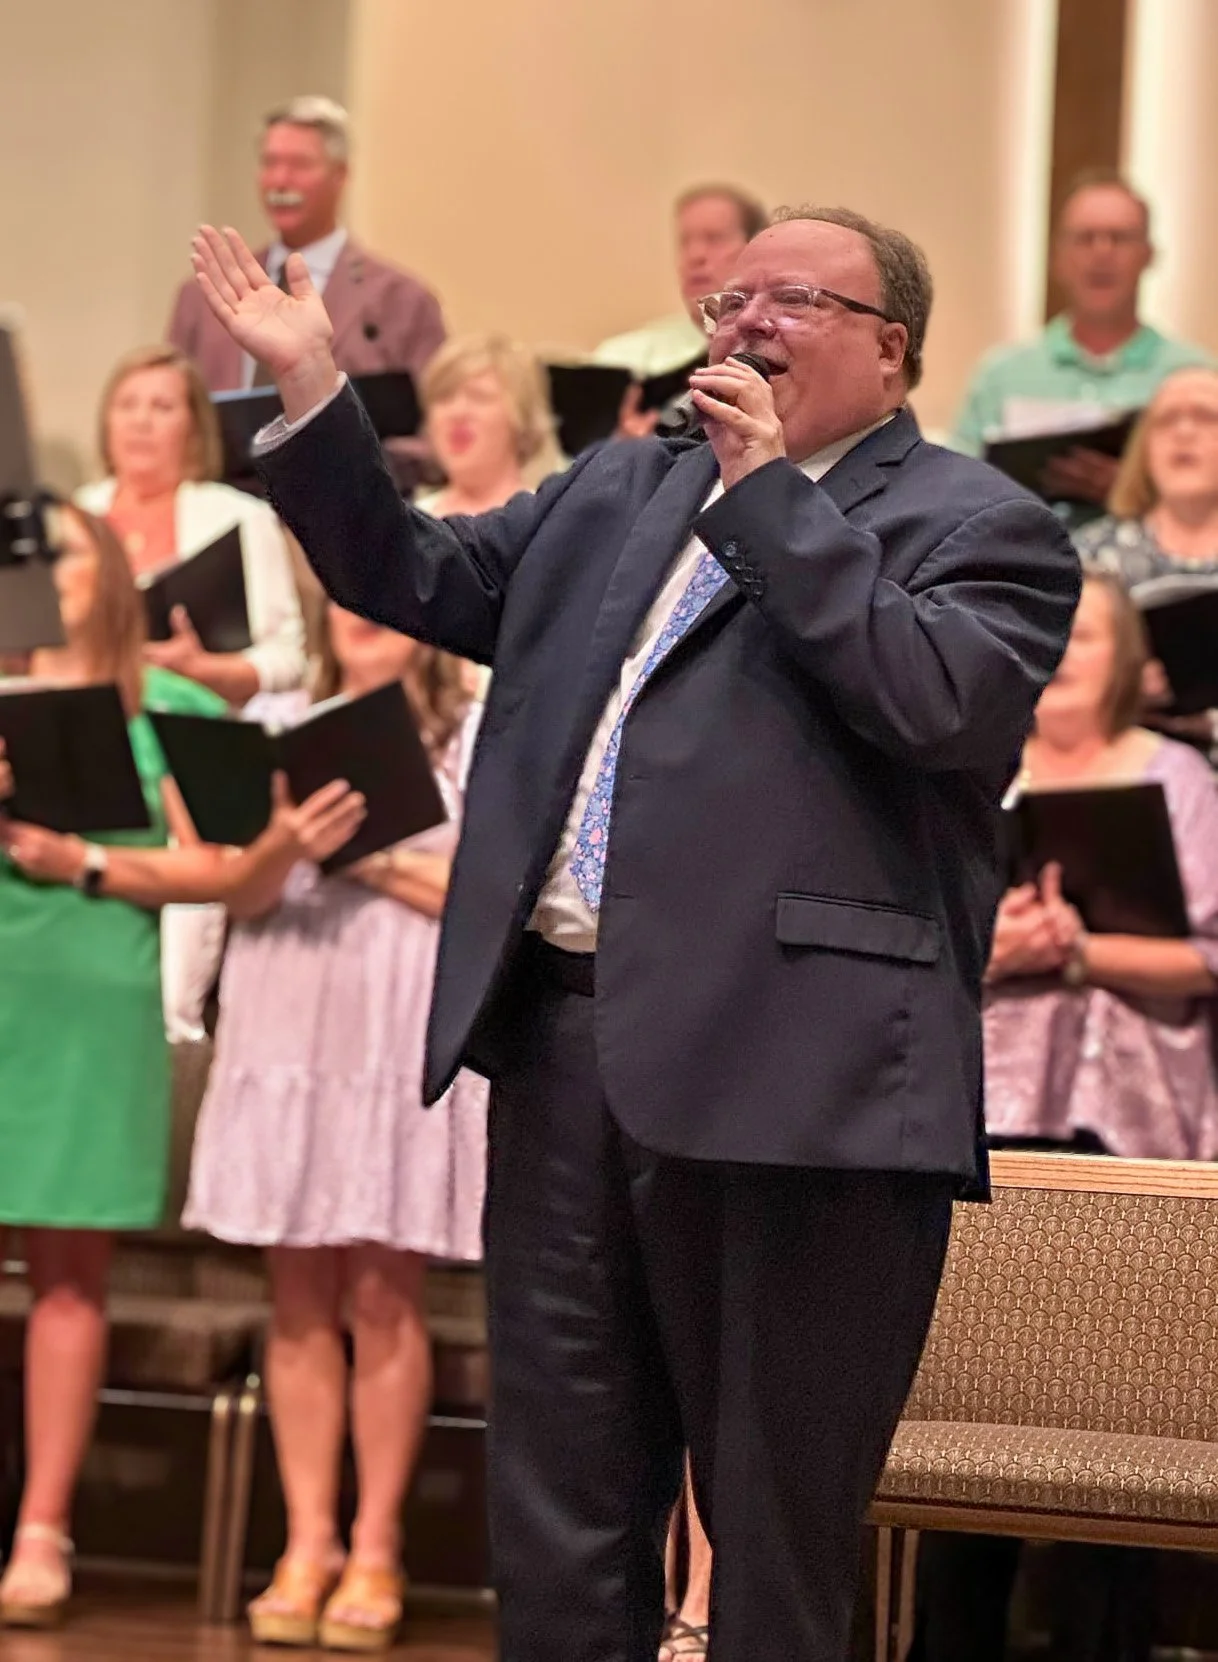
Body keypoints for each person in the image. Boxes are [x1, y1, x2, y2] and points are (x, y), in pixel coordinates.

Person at [190, 203, 1080, 1662]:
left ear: (892, 349)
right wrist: (306, 388)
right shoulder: (616, 486)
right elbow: (407, 574)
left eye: (795, 298)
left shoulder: (982, 527)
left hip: (798, 1075)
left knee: (770, 1538)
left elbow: (929, 698)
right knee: (564, 1507)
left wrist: (764, 488)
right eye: (732, 299)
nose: (748, 322)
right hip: (561, 1043)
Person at [0, 505, 363, 1629]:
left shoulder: (173, 708)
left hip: (86, 998)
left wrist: (90, 865)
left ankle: (43, 1531)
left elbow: (237, 878)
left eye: (56, 553)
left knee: (70, 1270)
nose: (35, 574)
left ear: (108, 574)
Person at [913, 568, 1218, 1662]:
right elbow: (924, 948)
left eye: (1094, 634)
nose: (1071, 650)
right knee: (972, 1388)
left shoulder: (1179, 776)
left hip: (1133, 1128)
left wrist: (1083, 951)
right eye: (1058, 633)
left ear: (1129, 653)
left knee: (1116, 1410)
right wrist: (1010, 951)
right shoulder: (976, 773)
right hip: (986, 1113)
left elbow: (1210, 955)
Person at [181, 604, 483, 1652]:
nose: (360, 619)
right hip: (289, 1013)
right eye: (341, 603)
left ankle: (377, 1543)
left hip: (392, 1020)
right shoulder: (280, 717)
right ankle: (305, 1541)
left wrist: (370, 863)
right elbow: (239, 892)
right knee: (298, 1292)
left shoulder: (472, 728)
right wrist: (279, 843)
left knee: (382, 1293)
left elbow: (491, 895)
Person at [951, 172, 1211, 511]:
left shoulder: (1195, 379)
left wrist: (1133, 493)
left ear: (1148, 255)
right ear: (1058, 258)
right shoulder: (1000, 376)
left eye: (1119, 238)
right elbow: (952, 492)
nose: (1102, 253)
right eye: (1085, 238)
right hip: (1022, 557)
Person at [77, 343, 307, 705]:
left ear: (194, 429)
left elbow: (289, 659)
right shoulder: (75, 517)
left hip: (199, 720)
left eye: (162, 407)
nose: (141, 421)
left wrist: (205, 671)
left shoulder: (240, 517)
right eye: (127, 405)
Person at [167, 96, 444, 396]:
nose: (280, 180)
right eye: (270, 163)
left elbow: (432, 425)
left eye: (300, 164)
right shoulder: (203, 297)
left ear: (340, 175)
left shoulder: (402, 301)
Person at [596, 184, 767, 438]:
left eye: (714, 238)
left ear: (757, 248)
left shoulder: (777, 367)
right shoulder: (655, 383)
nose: (695, 255)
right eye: (685, 242)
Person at [414, 333, 557, 516]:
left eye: (479, 397)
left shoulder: (546, 524)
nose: (457, 412)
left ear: (520, 417)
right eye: (444, 398)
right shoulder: (407, 526)